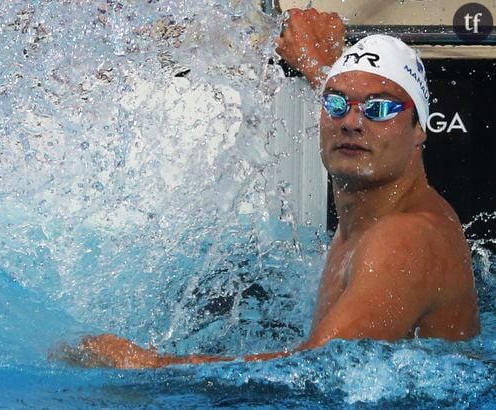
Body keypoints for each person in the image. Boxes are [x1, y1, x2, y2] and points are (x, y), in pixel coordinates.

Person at [59, 8, 480, 368]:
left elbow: (319, 371)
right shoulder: (376, 207)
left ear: (420, 129)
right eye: (336, 103)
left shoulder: (402, 240)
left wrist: (152, 365)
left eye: (380, 107)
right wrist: (321, 64)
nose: (352, 122)